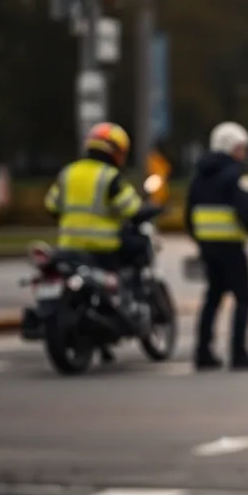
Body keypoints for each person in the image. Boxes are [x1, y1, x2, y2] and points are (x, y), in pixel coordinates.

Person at [44, 122, 158, 353]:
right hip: (103, 248)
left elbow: (51, 205)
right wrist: (150, 209)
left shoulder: (68, 173)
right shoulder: (109, 177)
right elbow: (131, 209)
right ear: (116, 150)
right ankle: (131, 304)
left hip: (69, 247)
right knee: (136, 255)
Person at [186, 122, 248, 371]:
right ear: (231, 147)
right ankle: (239, 353)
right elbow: (244, 212)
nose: (243, 153)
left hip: (208, 246)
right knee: (243, 298)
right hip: (231, 246)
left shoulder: (199, 174)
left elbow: (189, 213)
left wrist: (200, 240)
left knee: (213, 297)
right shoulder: (236, 175)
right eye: (241, 148)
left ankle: (202, 352)